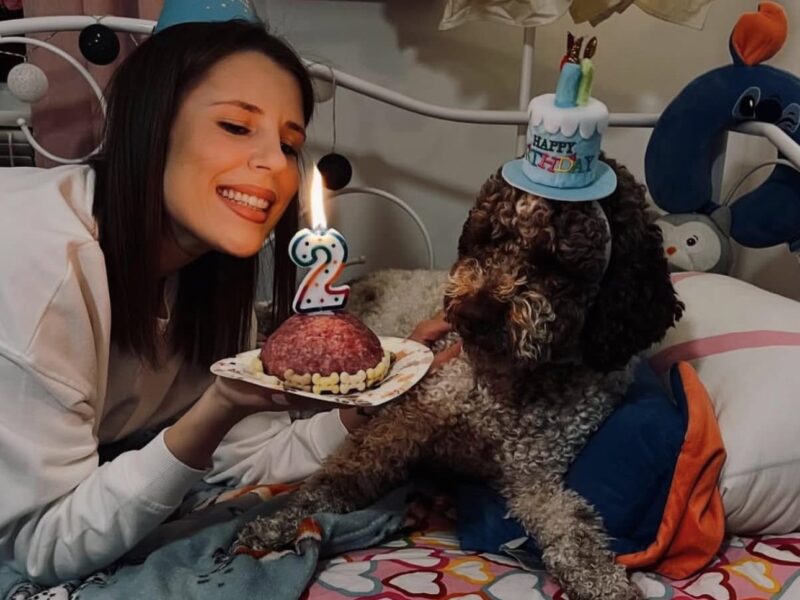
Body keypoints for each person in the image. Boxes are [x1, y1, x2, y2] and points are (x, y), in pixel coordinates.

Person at [0, 14, 457, 586]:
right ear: (150, 125)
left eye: (289, 144)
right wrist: (216, 407)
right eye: (236, 126)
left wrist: (373, 399)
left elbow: (249, 455)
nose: (276, 163)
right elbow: (40, 549)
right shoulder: (41, 269)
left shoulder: (208, 278)